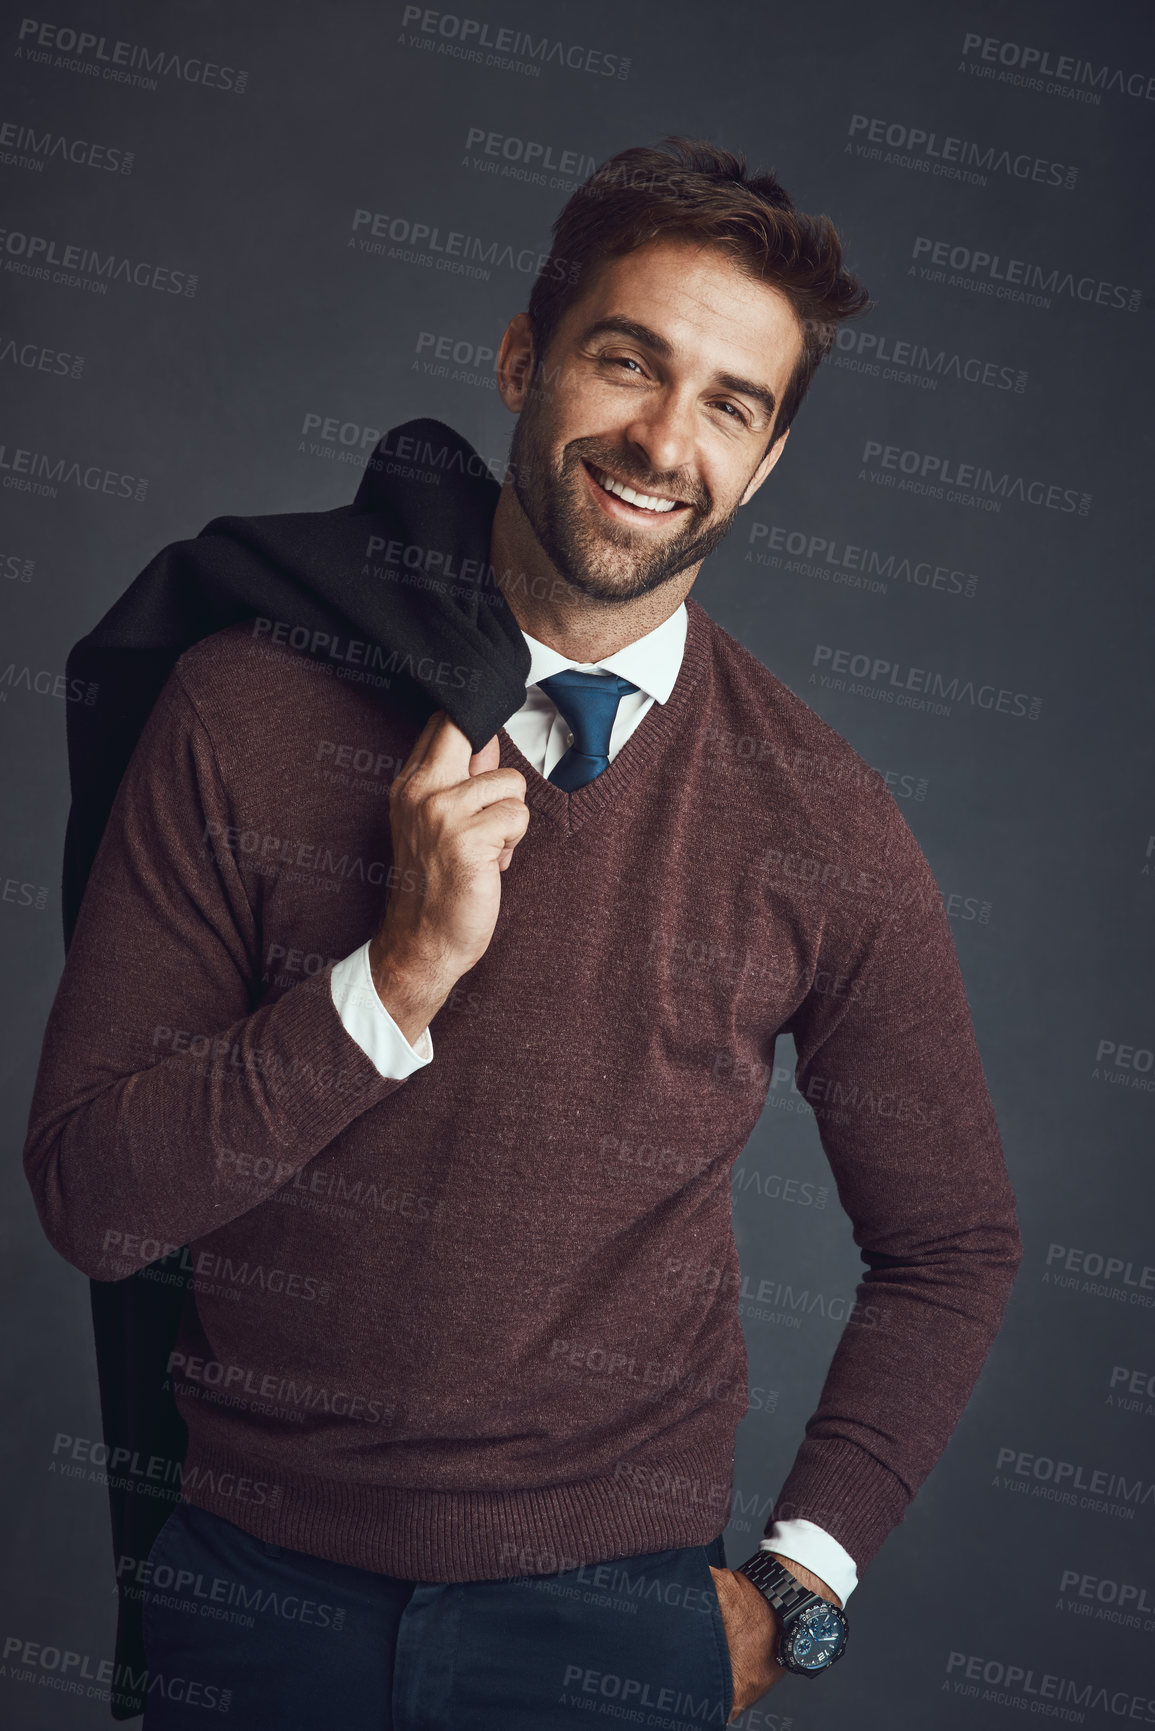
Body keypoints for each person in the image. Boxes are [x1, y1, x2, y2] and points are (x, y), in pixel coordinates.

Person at [23, 136, 1023, 1728]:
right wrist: (395, 977)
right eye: (627, 359)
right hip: (251, 1603)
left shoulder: (822, 821)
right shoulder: (243, 709)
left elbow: (953, 1245)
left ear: (763, 467)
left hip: (612, 1634)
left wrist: (800, 1588)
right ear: (520, 359)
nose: (661, 437)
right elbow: (90, 1198)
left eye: (728, 402)